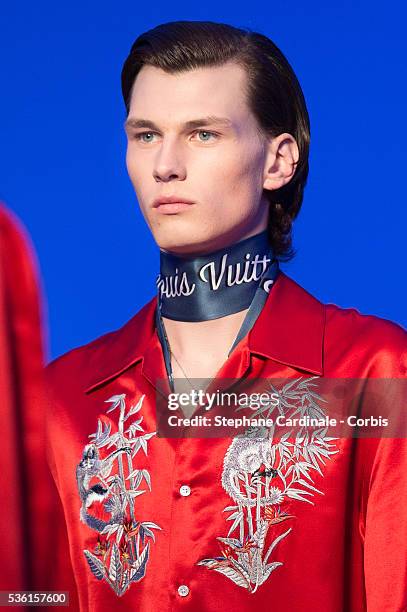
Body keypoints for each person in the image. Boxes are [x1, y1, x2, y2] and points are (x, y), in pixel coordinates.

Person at [45, 21, 407, 611]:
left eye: (203, 134)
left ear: (278, 161)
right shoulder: (57, 401)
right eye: (145, 135)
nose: (165, 165)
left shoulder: (375, 377)